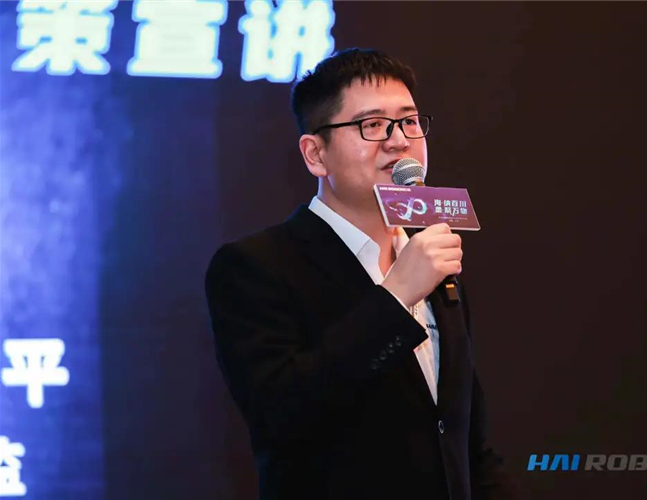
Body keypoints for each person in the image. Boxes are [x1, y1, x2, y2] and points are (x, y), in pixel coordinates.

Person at [205, 48, 514, 500]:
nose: (399, 141)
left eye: (409, 122)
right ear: (316, 154)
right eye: (372, 125)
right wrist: (397, 295)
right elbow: (280, 414)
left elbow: (466, 445)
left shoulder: (435, 264)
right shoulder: (256, 266)